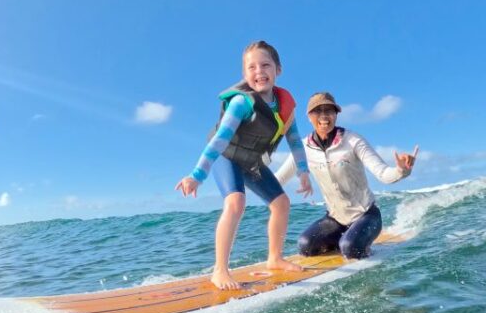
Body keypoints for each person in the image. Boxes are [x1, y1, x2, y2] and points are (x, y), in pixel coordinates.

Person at [176, 40, 313, 290]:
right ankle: (219, 271)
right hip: (226, 156)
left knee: (281, 203)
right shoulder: (242, 103)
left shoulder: (286, 108)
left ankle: (274, 258)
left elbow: (294, 141)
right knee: (236, 202)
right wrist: (197, 175)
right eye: (252, 67)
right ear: (244, 74)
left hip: (251, 161)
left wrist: (303, 172)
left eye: (265, 65)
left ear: (278, 70)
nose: (259, 72)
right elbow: (219, 142)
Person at [275, 91, 418, 259]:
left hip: (367, 215)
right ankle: (346, 240)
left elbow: (384, 174)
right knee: (305, 246)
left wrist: (402, 170)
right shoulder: (303, 149)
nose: (323, 116)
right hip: (335, 219)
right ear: (308, 116)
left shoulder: (353, 141)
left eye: (329, 110)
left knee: (349, 248)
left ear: (336, 114)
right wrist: (249, 174)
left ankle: (356, 244)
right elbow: (277, 179)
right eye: (317, 111)